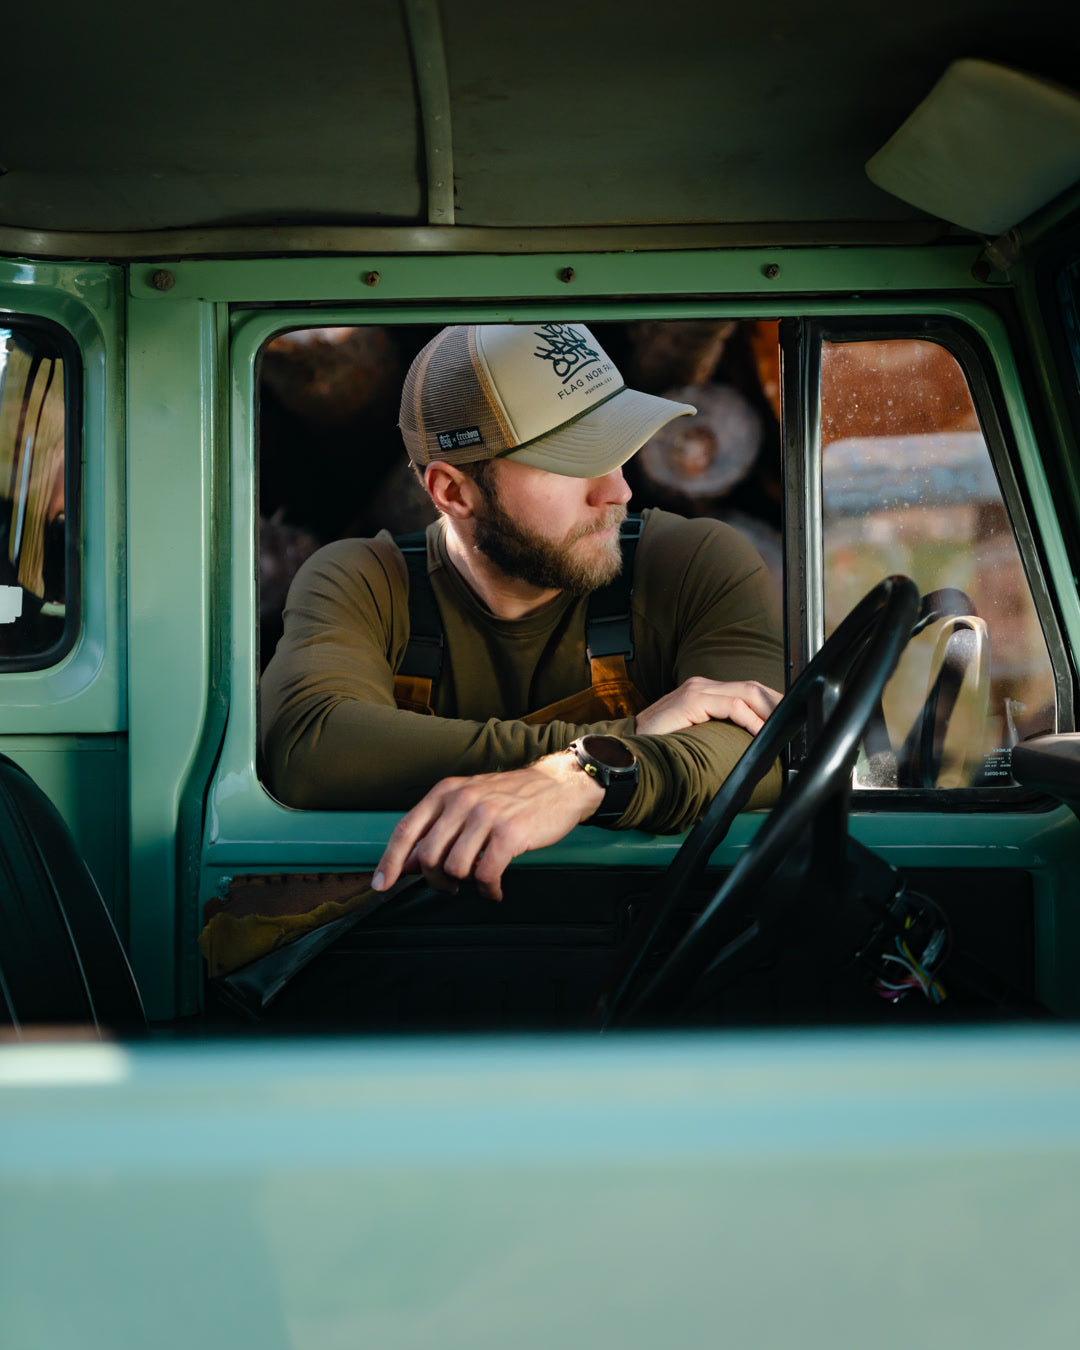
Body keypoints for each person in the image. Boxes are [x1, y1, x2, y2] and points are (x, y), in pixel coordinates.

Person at [260, 322, 784, 901]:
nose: (618, 491)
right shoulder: (362, 581)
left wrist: (573, 782)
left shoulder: (693, 563)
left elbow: (766, 750)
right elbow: (311, 750)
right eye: (570, 461)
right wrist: (612, 748)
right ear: (453, 493)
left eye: (617, 448)